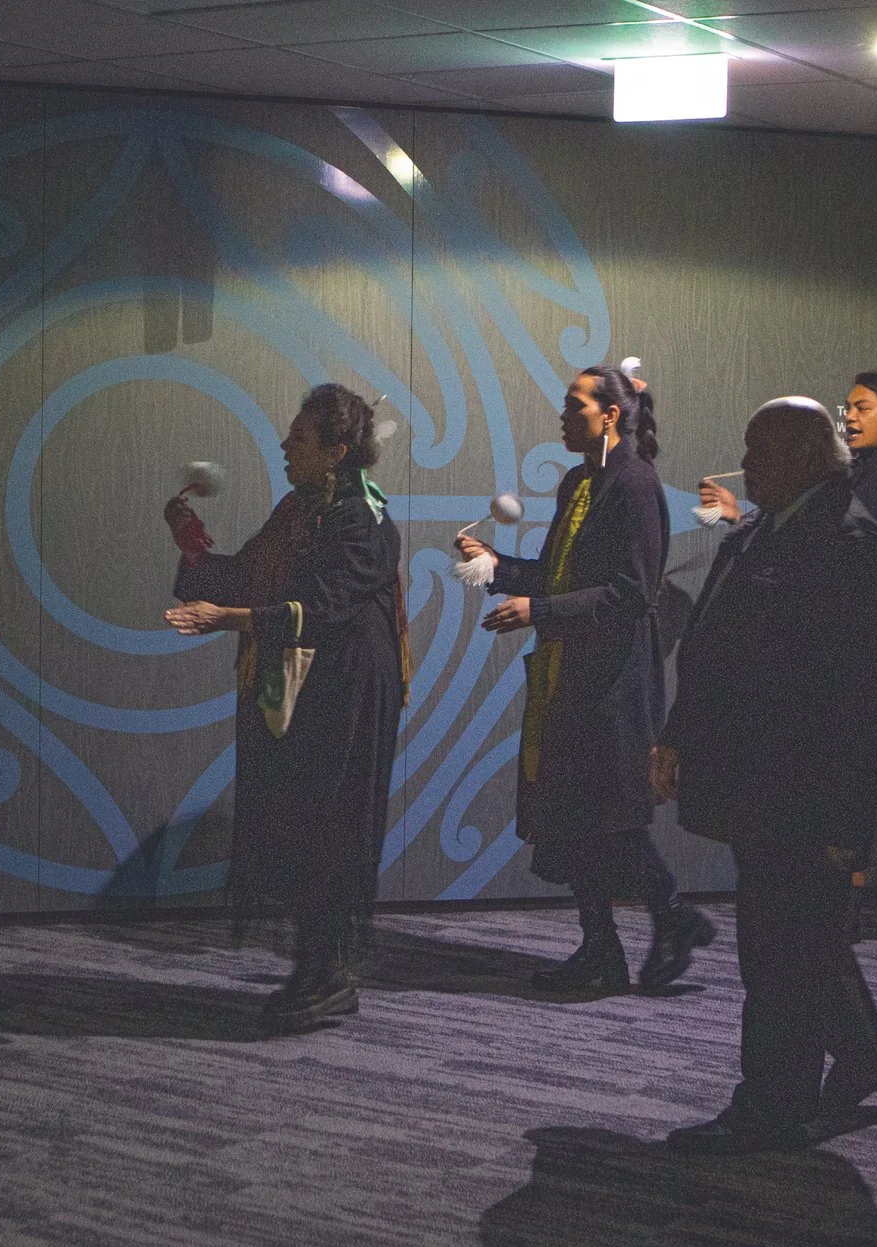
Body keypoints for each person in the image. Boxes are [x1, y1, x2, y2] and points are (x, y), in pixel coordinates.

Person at [653, 398, 877, 1152]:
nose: (745, 463)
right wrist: (677, 735)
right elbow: (711, 644)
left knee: (781, 954)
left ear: (803, 456)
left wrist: (848, 824)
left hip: (805, 790)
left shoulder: (850, 544)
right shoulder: (760, 532)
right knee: (790, 941)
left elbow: (869, 699)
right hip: (757, 782)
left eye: (759, 449)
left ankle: (772, 1107)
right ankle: (865, 1057)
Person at [703, 371, 877, 933]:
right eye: (848, 409)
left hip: (873, 645)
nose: (851, 418)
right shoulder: (855, 476)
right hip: (833, 645)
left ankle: (851, 907)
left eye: (863, 407)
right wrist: (745, 521)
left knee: (867, 771)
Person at [455, 366, 713, 993]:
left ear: (610, 415)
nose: (563, 416)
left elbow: (633, 593)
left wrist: (539, 611)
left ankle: (649, 927)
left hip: (613, 678)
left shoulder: (635, 483)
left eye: (575, 406)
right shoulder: (579, 482)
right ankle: (628, 937)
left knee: (604, 816)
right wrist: (496, 566)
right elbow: (557, 574)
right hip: (571, 671)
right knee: (580, 816)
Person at [165, 383, 408, 1032]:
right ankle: (315, 971)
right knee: (301, 822)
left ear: (335, 451)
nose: (284, 445)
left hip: (349, 692)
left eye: (298, 438)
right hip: (309, 686)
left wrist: (226, 618)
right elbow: (251, 578)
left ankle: (331, 976)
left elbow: (320, 609)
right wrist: (192, 550)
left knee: (332, 827)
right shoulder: (300, 513)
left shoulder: (361, 520)